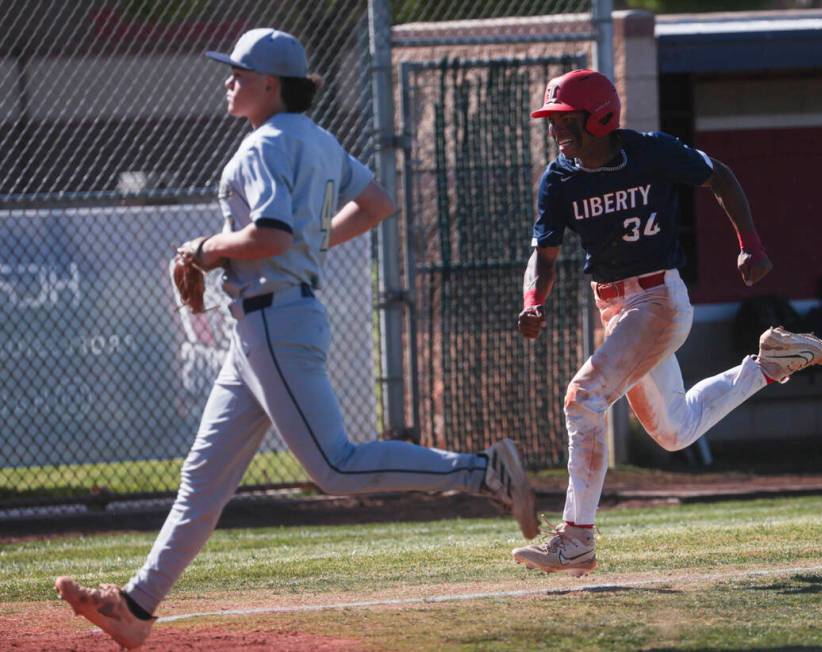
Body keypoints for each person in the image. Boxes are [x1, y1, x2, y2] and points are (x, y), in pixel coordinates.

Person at [54, 28, 537, 649]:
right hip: (262, 326)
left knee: (334, 466)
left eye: (238, 71)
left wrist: (201, 249)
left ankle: (485, 473)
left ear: (269, 84)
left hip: (274, 323)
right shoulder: (320, 139)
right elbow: (377, 203)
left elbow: (273, 235)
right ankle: (136, 607)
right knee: (203, 477)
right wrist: (309, 242)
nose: (228, 80)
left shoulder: (261, 146)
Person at [511, 69, 822, 576]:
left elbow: (721, 177)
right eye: (552, 119)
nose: (556, 129)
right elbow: (546, 255)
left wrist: (749, 244)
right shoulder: (560, 178)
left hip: (659, 301)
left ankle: (577, 538)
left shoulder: (651, 151)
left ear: (601, 117)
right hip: (617, 309)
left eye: (565, 119)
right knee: (675, 431)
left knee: (583, 399)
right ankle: (769, 365)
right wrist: (534, 298)